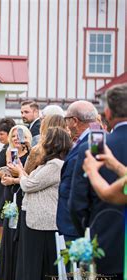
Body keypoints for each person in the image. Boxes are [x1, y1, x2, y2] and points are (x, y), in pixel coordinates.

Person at [69, 84, 127, 280]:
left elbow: (77, 202)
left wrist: (85, 231)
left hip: (103, 243)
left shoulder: (97, 148)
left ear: (108, 114)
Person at [13, 127, 71, 280]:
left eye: (45, 139)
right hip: (36, 219)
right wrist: (22, 172)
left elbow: (30, 185)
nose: (41, 143)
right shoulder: (46, 164)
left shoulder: (55, 165)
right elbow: (31, 181)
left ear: (53, 143)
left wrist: (20, 174)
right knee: (30, 268)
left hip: (44, 222)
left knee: (38, 269)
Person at [56, 101, 98, 242]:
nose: (66, 124)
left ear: (74, 121)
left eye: (66, 120)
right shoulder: (88, 139)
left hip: (75, 224)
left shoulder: (91, 145)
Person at [0, 125, 32, 280]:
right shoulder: (9, 153)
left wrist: (16, 176)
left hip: (24, 194)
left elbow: (28, 176)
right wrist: (5, 178)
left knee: (20, 235)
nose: (16, 139)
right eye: (14, 136)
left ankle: (19, 276)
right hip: (10, 193)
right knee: (9, 234)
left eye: (19, 136)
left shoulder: (32, 154)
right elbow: (7, 172)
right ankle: (7, 277)